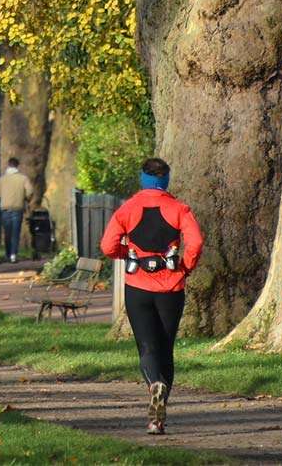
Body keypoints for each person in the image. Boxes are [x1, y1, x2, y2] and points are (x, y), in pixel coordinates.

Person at [99, 157, 202, 435]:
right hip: (171, 288)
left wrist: (126, 254)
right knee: (165, 347)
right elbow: (196, 242)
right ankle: (159, 418)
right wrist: (186, 266)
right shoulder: (180, 209)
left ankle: (153, 385)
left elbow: (108, 246)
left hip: (138, 289)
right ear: (165, 180)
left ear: (142, 179)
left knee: (147, 347)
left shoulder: (127, 209)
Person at [0, 158, 34, 263]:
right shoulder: (23, 178)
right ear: (17, 166)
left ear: (8, 165)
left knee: (7, 232)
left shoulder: (2, 179)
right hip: (17, 208)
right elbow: (30, 191)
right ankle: (14, 255)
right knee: (15, 232)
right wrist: (26, 198)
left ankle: (8, 253)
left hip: (5, 208)